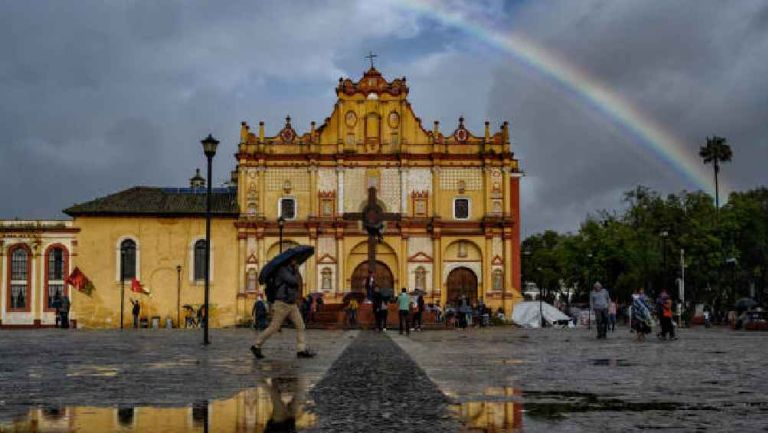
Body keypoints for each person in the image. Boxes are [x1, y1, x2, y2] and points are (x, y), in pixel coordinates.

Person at [251, 258, 315, 359]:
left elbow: (295, 285)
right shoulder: (282, 270)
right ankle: (256, 345)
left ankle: (301, 350)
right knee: (274, 327)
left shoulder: (291, 270)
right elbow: (293, 281)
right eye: (295, 260)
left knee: (301, 325)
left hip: (291, 304)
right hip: (282, 303)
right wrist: (297, 271)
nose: (296, 262)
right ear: (289, 260)